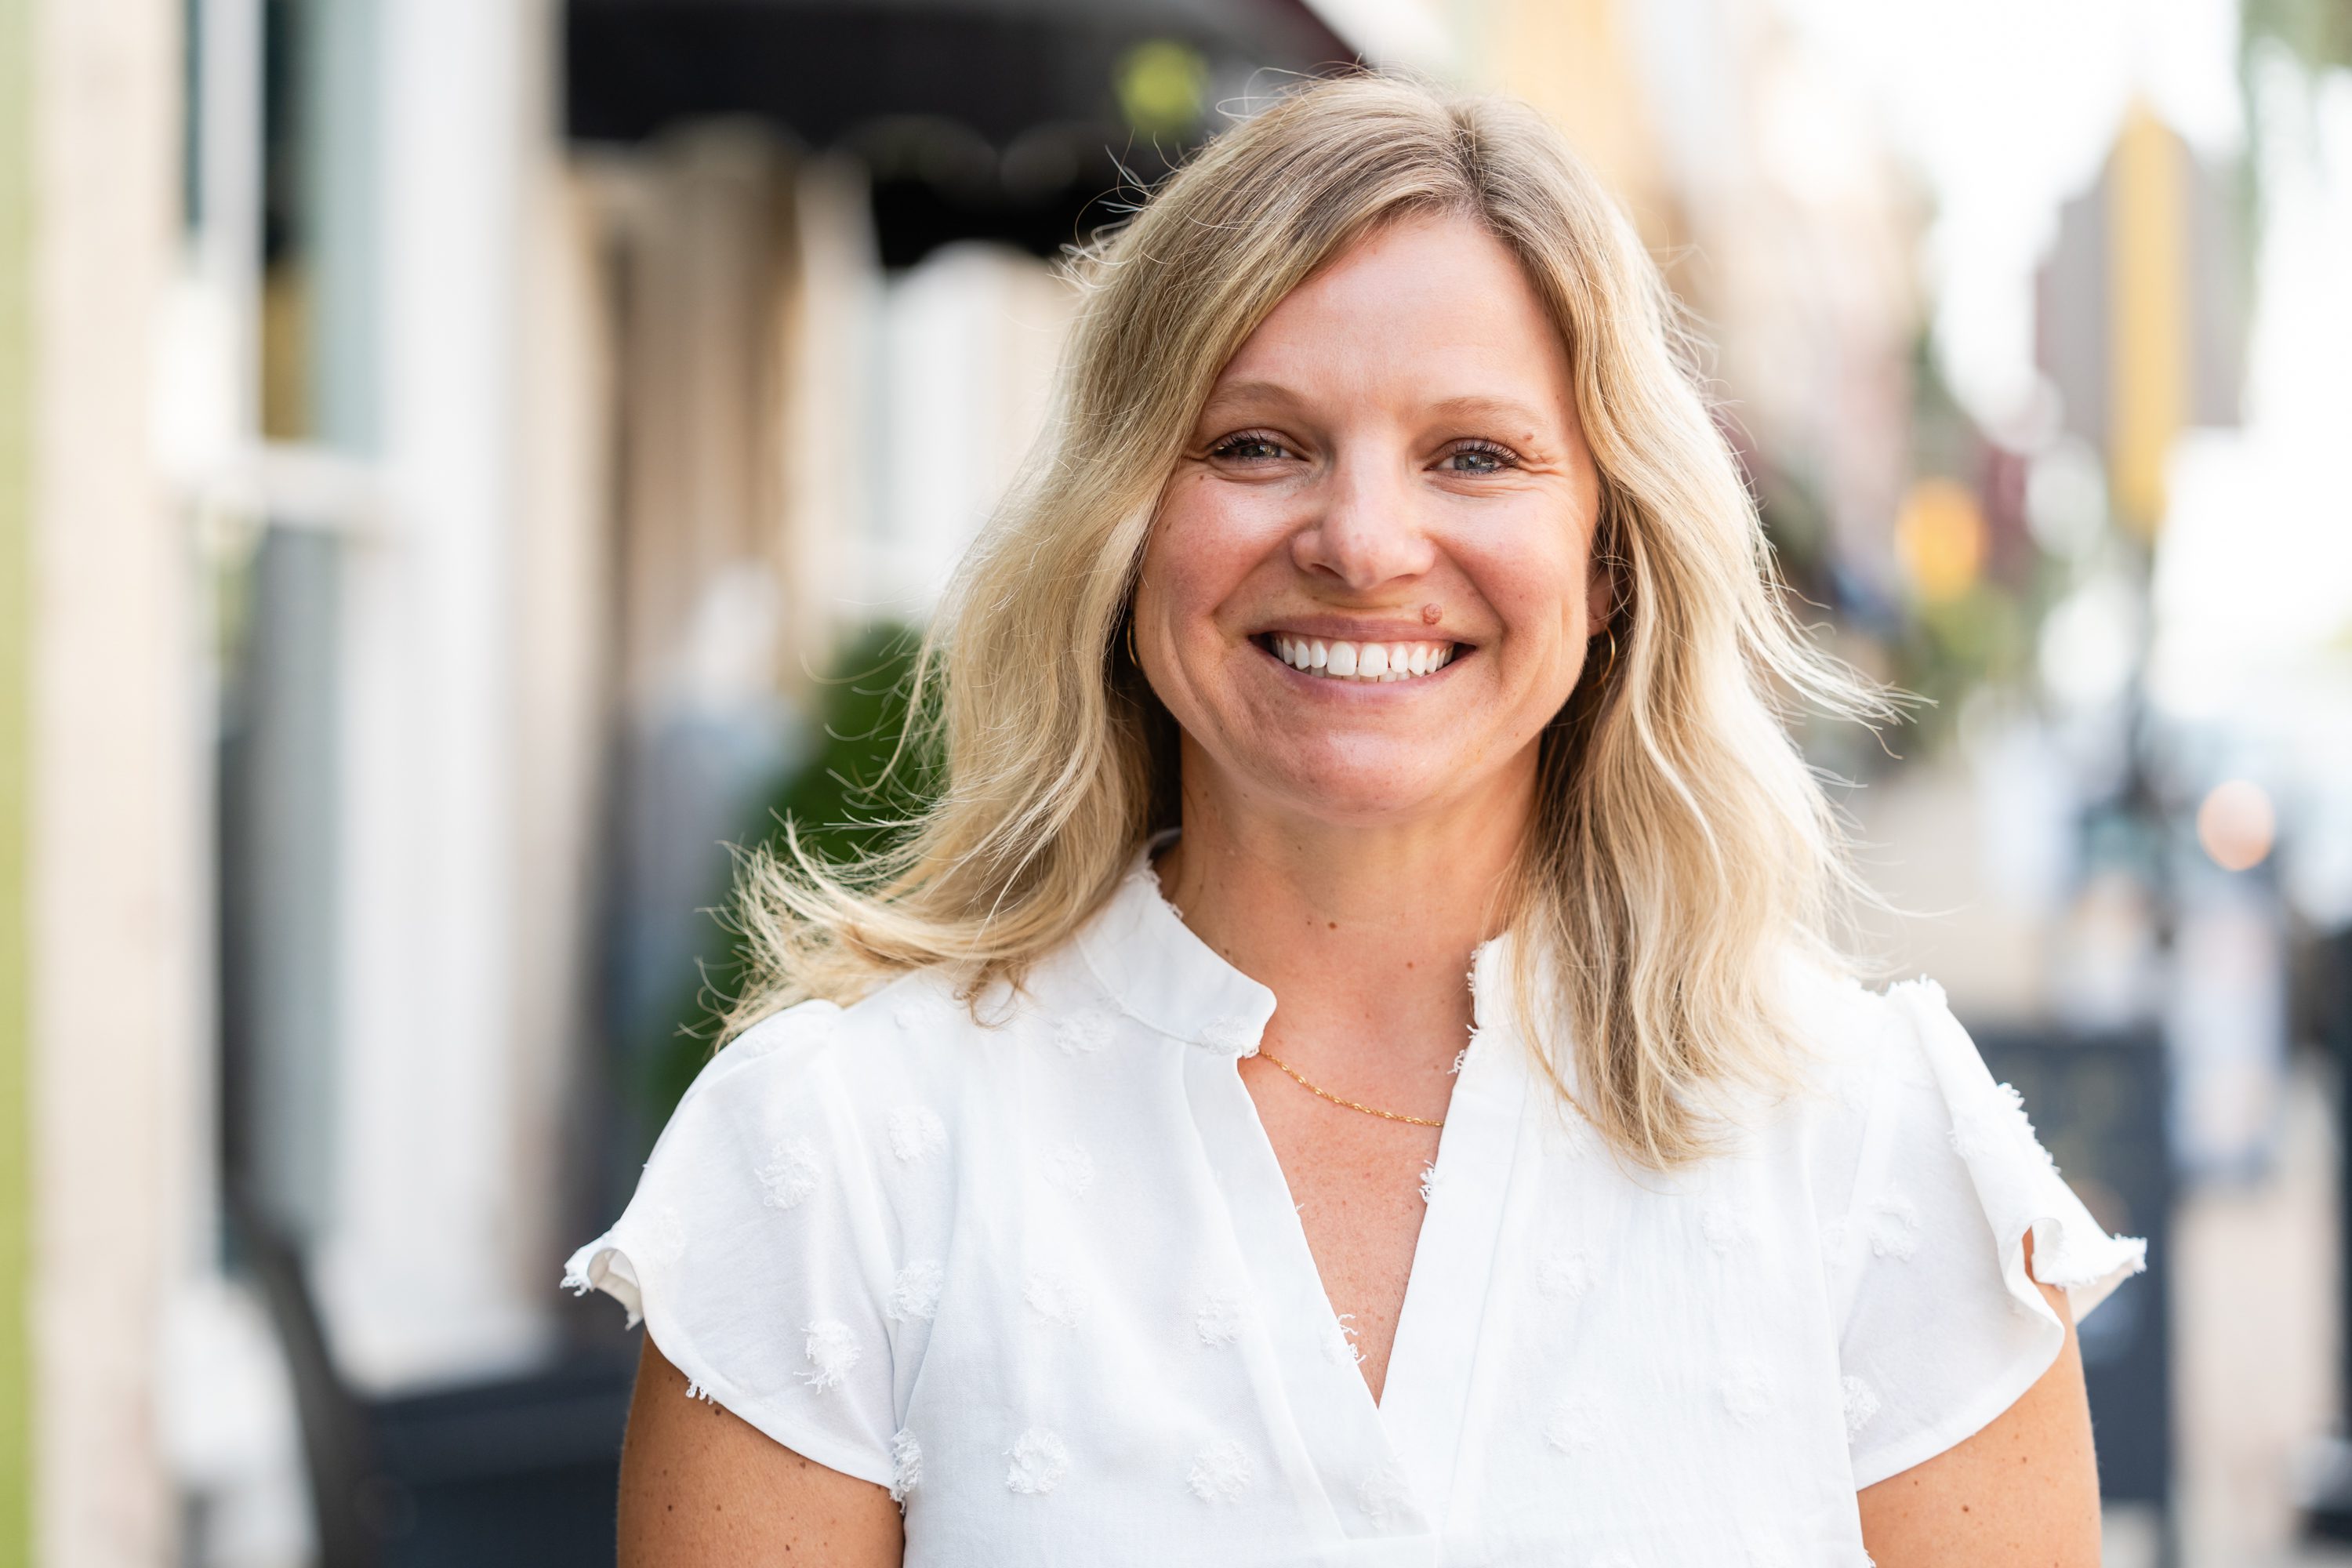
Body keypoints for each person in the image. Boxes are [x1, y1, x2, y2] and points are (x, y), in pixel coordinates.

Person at [564, 73, 2143, 1566]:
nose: (1366, 540)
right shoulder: (835, 1154)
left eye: (1476, 454)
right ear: (1124, 529)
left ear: (1607, 560)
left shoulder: (1869, 1149)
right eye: (1259, 444)